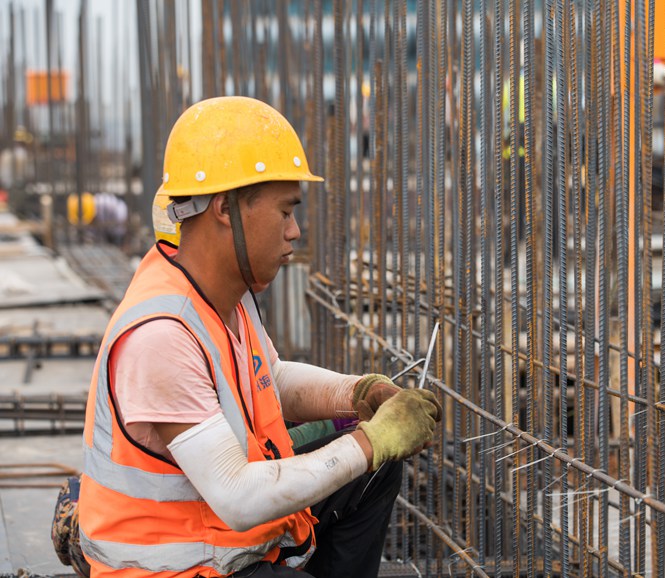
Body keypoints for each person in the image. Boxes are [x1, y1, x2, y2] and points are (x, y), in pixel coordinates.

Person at [78, 96, 441, 578]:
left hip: (225, 537)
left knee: (375, 470)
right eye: (285, 211)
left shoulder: (225, 294)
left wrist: (356, 395)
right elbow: (237, 495)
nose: (295, 231)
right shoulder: (161, 335)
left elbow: (267, 379)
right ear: (226, 208)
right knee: (368, 455)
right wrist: (371, 441)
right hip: (175, 566)